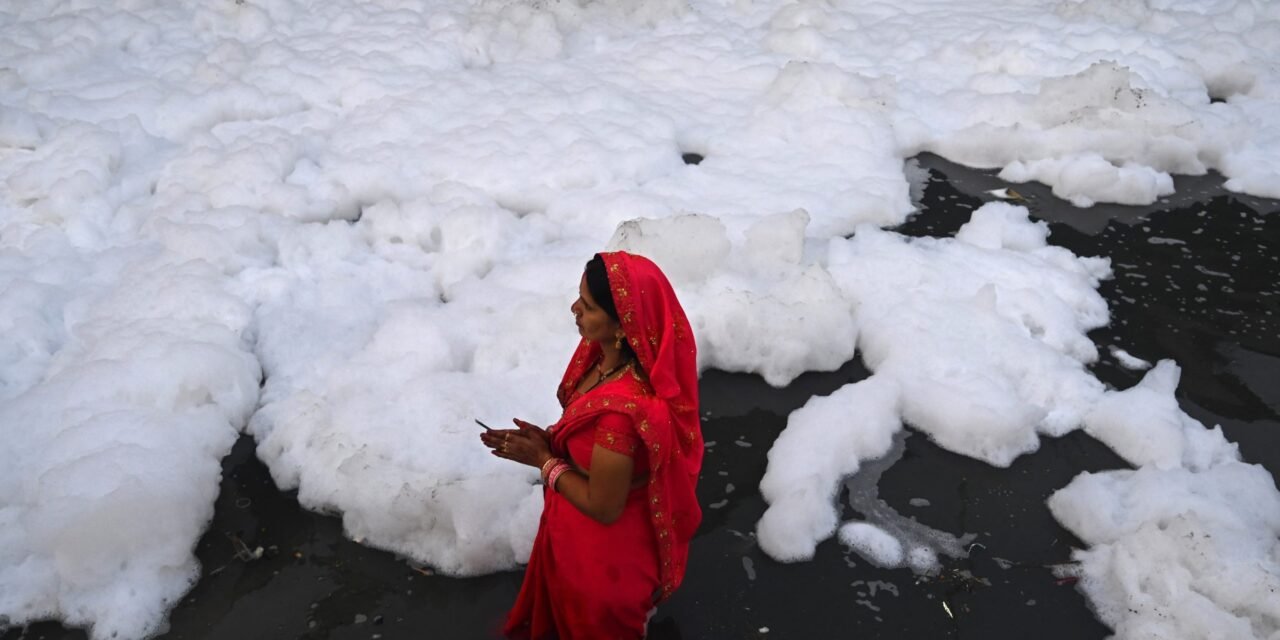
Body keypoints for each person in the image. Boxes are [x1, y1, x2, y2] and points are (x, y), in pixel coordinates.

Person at [480, 251, 703, 640]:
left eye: (588, 305)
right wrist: (546, 440)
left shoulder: (623, 414)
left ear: (622, 325)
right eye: (579, 297)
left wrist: (544, 461)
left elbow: (604, 506)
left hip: (603, 564)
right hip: (573, 534)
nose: (574, 309)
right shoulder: (602, 359)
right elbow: (587, 436)